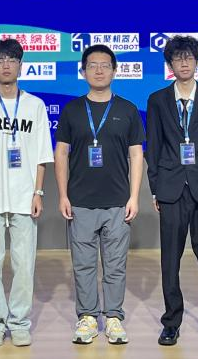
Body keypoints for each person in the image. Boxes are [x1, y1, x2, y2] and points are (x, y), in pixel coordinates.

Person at [55, 44, 145, 345]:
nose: (98, 70)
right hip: (80, 202)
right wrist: (63, 195)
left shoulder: (128, 110)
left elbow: (136, 155)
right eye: (92, 65)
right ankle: (88, 317)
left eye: (105, 65)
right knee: (83, 264)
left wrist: (134, 196)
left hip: (118, 202)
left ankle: (114, 317)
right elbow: (61, 153)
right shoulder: (72, 109)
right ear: (83, 71)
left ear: (115, 71)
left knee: (115, 265)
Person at [0, 38, 54, 347]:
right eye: (0, 60)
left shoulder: (35, 106)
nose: (6, 65)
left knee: (24, 265)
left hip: (24, 197)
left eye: (11, 60)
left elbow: (42, 155)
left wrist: (38, 192)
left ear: (20, 65)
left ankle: (18, 322)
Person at [145, 35, 198, 347]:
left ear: (197, 62)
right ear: (170, 64)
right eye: (178, 58)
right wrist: (155, 188)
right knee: (170, 260)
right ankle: (171, 322)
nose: (183, 63)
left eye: (189, 58)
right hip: (170, 188)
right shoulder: (157, 100)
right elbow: (153, 147)